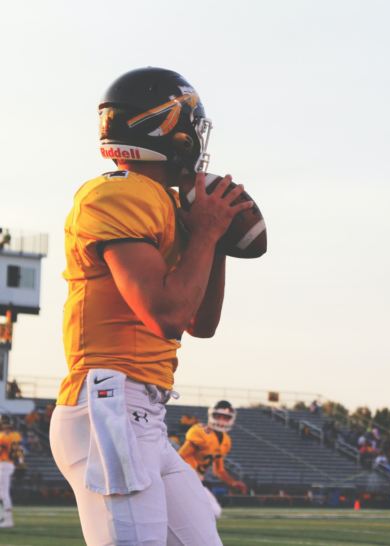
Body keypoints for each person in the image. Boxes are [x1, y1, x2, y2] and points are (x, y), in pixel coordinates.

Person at [50, 67, 261, 546]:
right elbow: (164, 315)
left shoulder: (165, 204)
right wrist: (205, 232)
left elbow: (198, 322)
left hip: (142, 411)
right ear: (168, 128)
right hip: (109, 404)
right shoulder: (118, 193)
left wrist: (217, 240)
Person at [178, 400, 247, 518]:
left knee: (215, 512)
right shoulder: (201, 432)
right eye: (218, 416)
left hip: (197, 481)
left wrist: (233, 482)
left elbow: (219, 470)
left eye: (225, 417)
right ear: (211, 415)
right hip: (183, 478)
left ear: (230, 419)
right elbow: (179, 456)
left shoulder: (225, 441)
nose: (221, 420)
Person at [0, 417, 20, 528]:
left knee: (4, 493)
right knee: (1, 493)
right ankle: (2, 516)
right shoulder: (16, 435)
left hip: (4, 464)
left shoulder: (3, 436)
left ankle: (8, 520)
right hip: (10, 464)